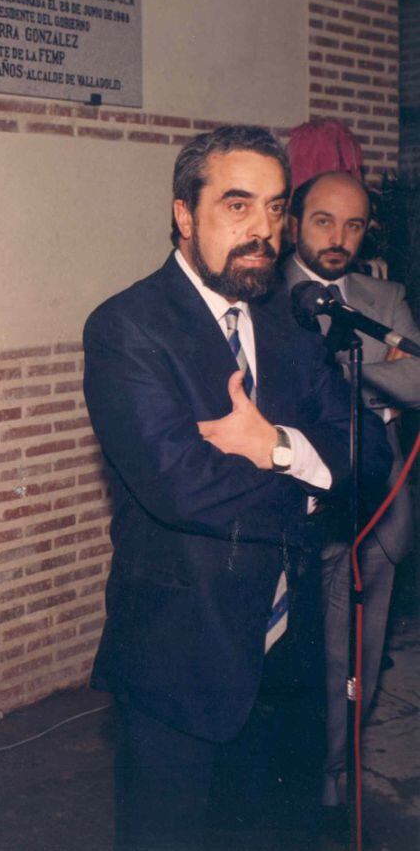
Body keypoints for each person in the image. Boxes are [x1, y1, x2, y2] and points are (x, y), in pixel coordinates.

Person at [82, 126, 391, 850]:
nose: (264, 231)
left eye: (277, 209)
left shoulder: (286, 322)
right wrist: (314, 483)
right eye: (237, 206)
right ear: (184, 215)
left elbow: (370, 450)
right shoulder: (128, 327)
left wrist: (275, 447)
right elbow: (181, 487)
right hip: (178, 660)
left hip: (288, 657)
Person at [283, 170, 420, 825]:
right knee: (301, 664)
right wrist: (371, 375)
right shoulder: (266, 297)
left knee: (358, 659)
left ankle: (338, 787)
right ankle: (291, 785)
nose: (339, 238)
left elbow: (418, 376)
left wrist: (351, 386)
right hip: (297, 516)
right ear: (293, 223)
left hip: (378, 507)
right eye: (323, 220)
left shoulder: (383, 293)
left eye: (355, 224)